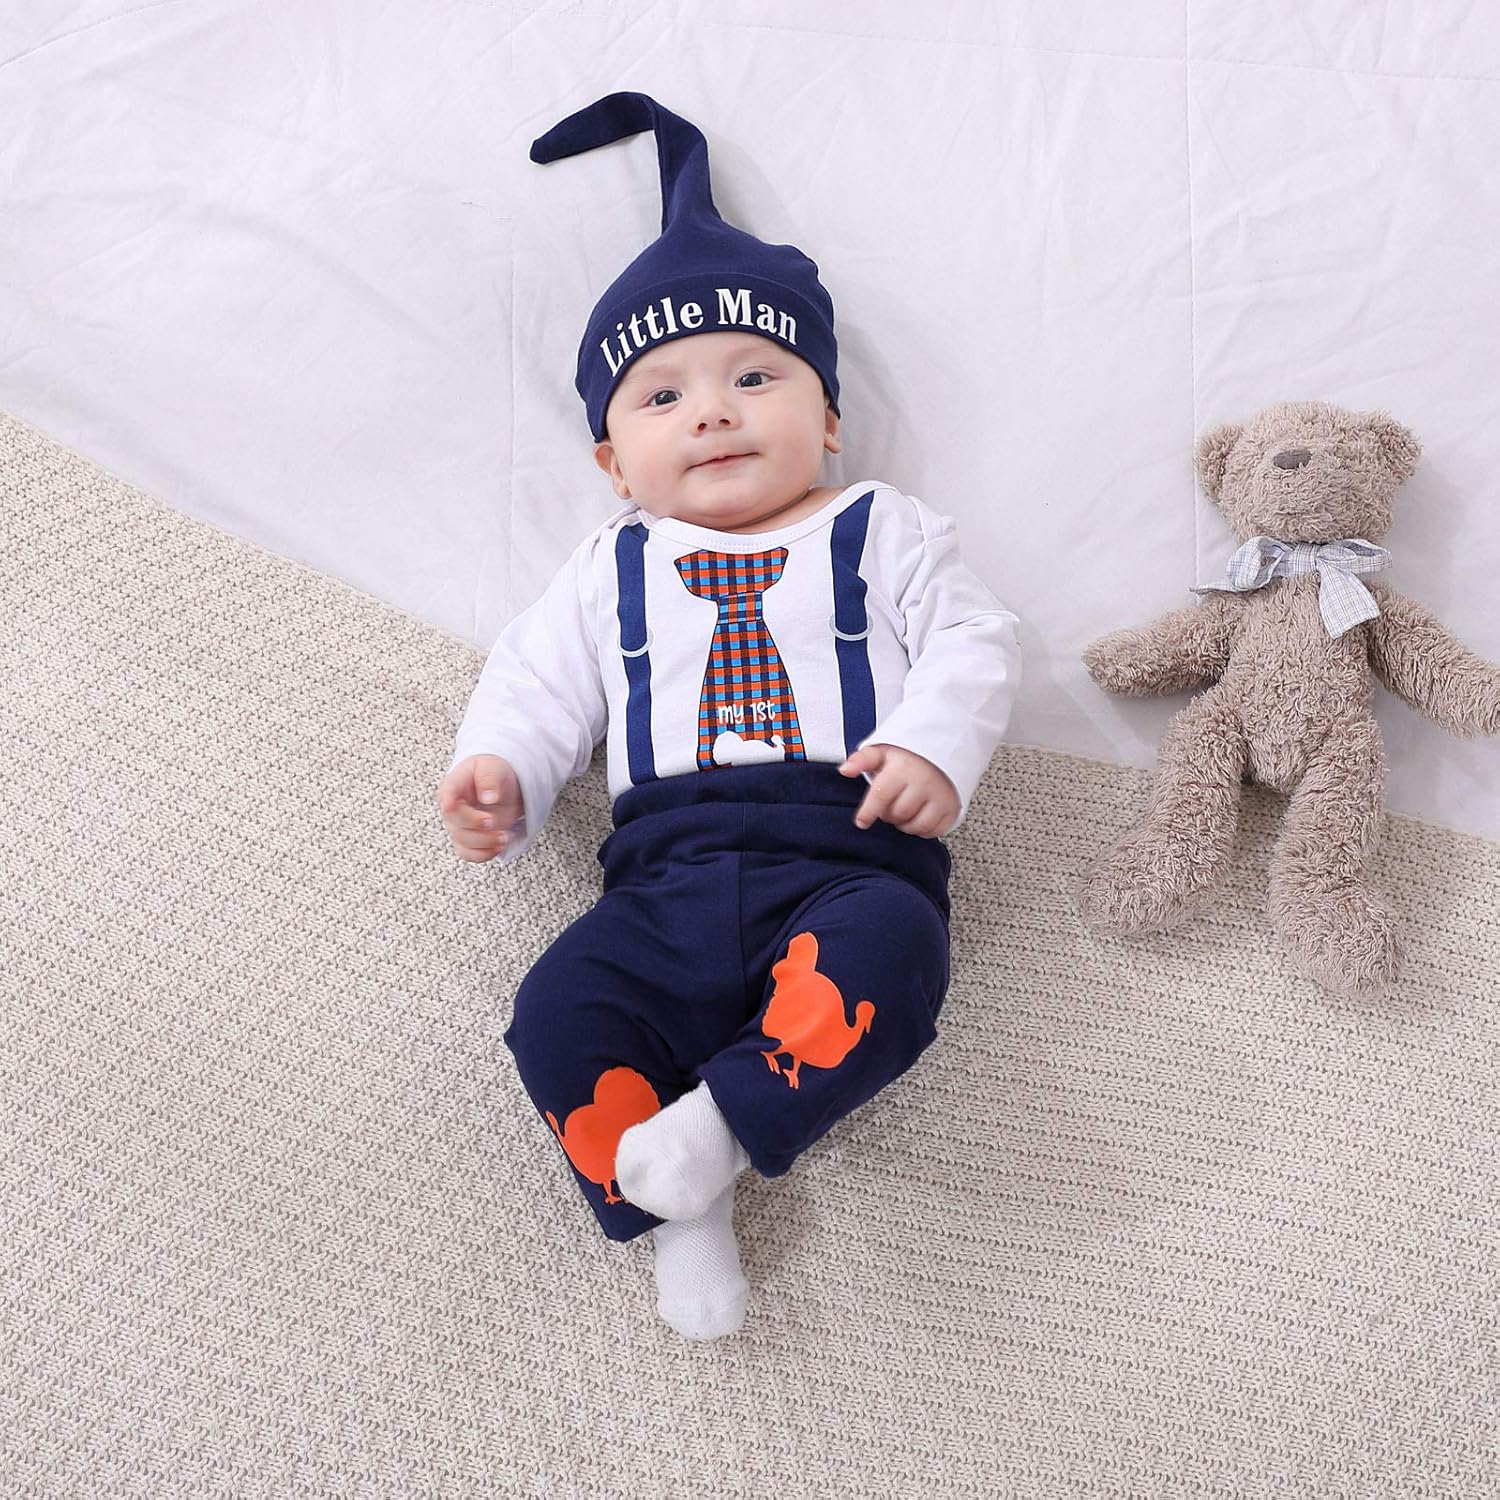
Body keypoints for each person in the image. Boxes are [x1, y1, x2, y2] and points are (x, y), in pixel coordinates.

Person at [436, 92, 1022, 1340]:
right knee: (556, 1013)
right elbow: (538, 681)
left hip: (848, 856)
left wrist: (934, 744)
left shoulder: (881, 529)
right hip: (662, 883)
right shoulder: (612, 565)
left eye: (755, 377)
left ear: (830, 419)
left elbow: (975, 638)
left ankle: (715, 1130)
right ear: (611, 462)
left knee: (896, 963)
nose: (711, 411)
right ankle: (679, 1204)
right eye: (661, 398)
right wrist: (502, 770)